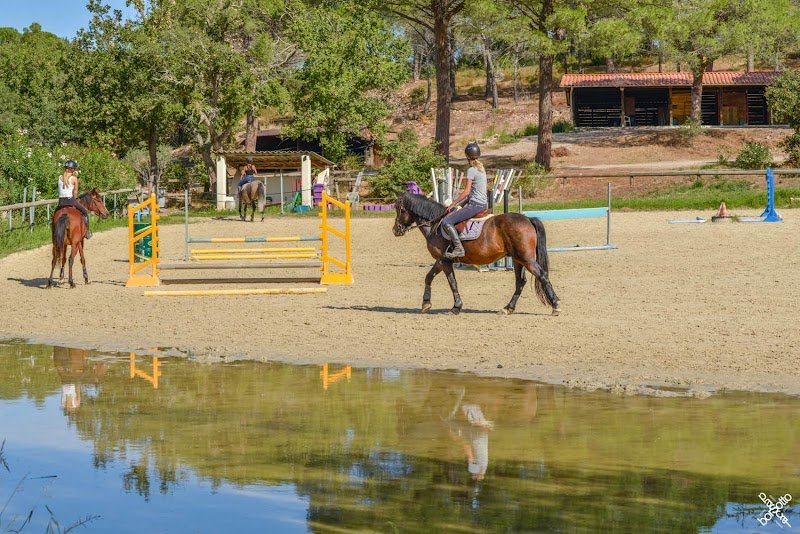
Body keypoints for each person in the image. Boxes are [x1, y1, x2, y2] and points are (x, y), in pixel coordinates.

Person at [441, 142, 488, 258]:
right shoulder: (481, 169)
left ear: (467, 156)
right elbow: (473, 192)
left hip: (475, 206)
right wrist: (462, 204)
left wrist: (453, 203)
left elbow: (466, 191)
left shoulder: (471, 170)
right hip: (482, 204)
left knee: (446, 221)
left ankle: (458, 248)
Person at [56, 160, 92, 239]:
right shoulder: (74, 178)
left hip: (61, 202)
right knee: (85, 212)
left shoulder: (59, 177)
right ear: (72, 169)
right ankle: (87, 232)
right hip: (70, 200)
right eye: (74, 169)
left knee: (55, 215)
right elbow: (75, 192)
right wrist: (75, 199)